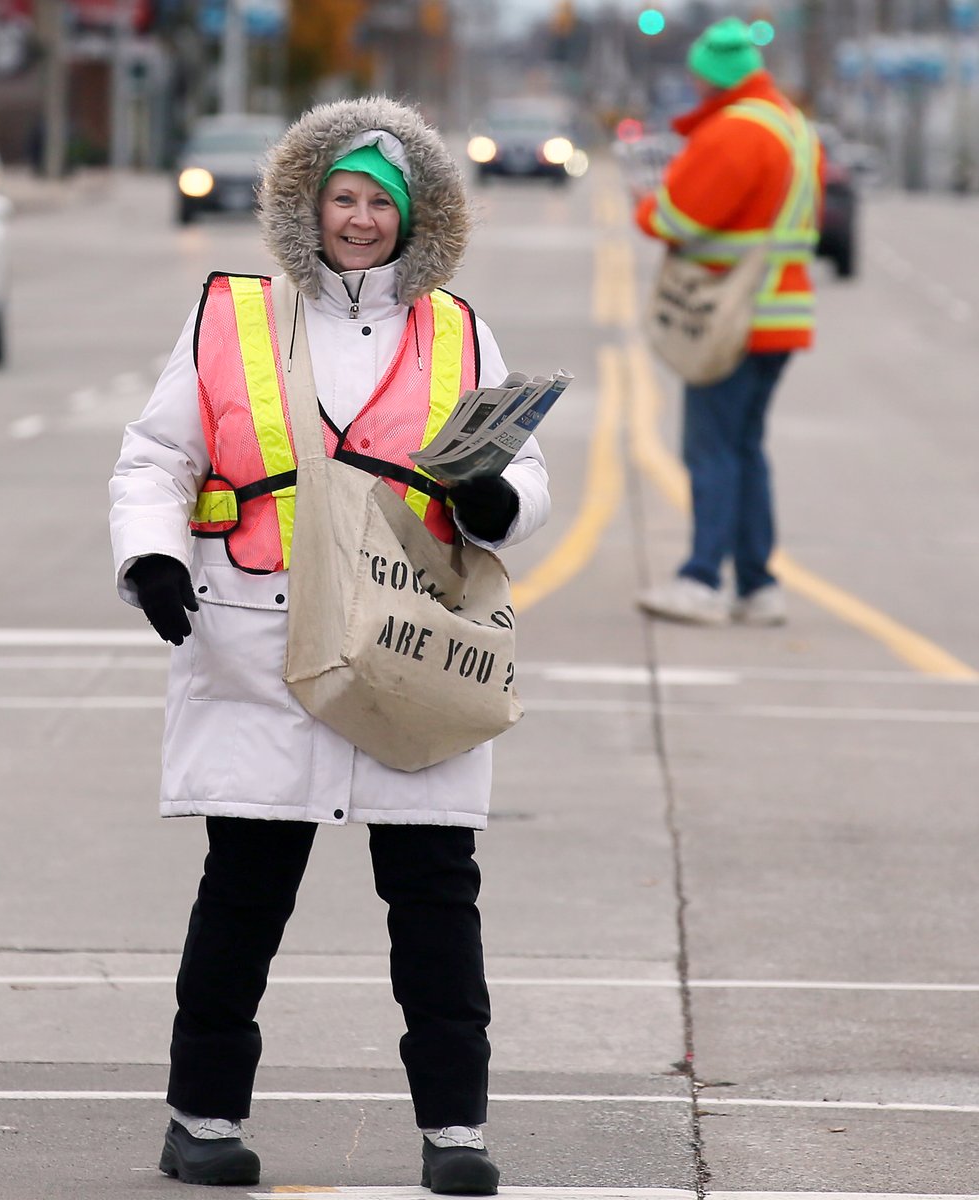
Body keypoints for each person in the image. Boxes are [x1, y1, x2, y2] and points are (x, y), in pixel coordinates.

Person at [108, 96, 550, 1194]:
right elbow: (155, 457)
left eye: (380, 205)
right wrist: (153, 560)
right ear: (310, 203)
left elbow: (525, 471)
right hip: (261, 645)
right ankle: (201, 1117)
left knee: (437, 895)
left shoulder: (458, 327)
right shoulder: (232, 314)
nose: (359, 221)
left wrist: (500, 502)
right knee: (245, 895)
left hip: (413, 652)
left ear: (416, 220)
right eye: (343, 198)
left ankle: (457, 1132)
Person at [634, 17, 823, 627]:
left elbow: (674, 218)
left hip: (732, 318)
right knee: (744, 449)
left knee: (710, 450)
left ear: (711, 78)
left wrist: (648, 202)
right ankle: (758, 584)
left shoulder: (735, 134)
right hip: (781, 314)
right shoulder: (793, 127)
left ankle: (701, 579)